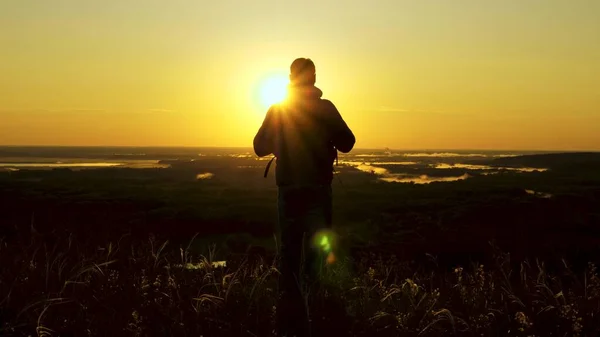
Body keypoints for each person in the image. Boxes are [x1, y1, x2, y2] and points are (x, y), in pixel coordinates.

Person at [253, 58, 355, 336]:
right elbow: (348, 143)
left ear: (290, 77)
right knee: (319, 255)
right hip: (318, 190)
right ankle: (318, 316)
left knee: (288, 256)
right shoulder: (326, 108)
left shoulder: (278, 109)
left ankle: (288, 321)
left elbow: (259, 147)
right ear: (313, 78)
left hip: (289, 191)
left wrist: (283, 141)